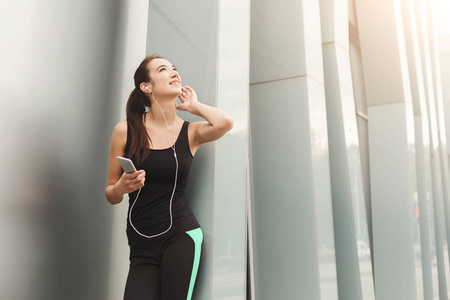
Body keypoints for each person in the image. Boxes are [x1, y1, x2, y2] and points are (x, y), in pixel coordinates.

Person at [105, 55, 233, 300]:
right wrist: (121, 187)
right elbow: (110, 193)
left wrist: (194, 106)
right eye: (164, 69)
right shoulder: (125, 130)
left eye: (175, 69)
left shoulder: (191, 132)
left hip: (181, 237)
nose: (174, 73)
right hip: (141, 245)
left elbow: (224, 123)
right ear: (147, 86)